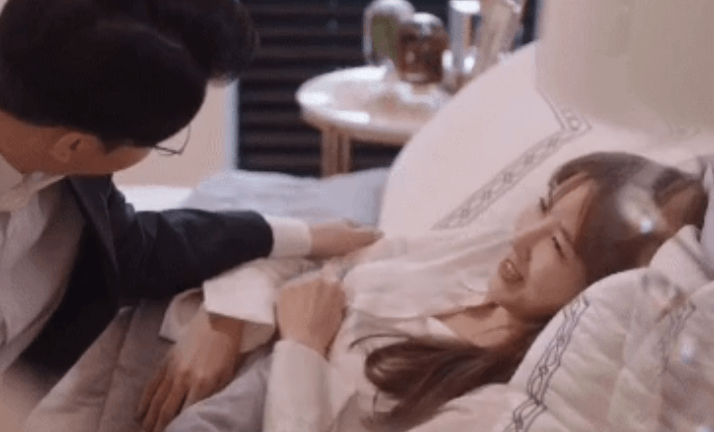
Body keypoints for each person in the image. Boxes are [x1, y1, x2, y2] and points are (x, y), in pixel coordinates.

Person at [0, 0, 379, 394]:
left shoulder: (54, 116)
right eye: (158, 143)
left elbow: (137, 247)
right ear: (74, 146)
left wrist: (300, 238)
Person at [149, 151, 707, 432]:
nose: (522, 238)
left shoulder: (493, 401)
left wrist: (303, 345)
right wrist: (222, 319)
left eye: (557, 246)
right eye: (542, 206)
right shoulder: (479, 257)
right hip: (208, 339)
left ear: (596, 288)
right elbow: (328, 250)